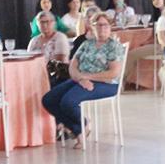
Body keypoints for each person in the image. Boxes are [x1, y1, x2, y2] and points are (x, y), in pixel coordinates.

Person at [42, 12, 124, 149]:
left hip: (106, 83)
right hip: (81, 79)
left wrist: (87, 77)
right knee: (48, 100)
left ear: (110, 27)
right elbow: (73, 65)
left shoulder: (113, 46)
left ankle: (78, 129)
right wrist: (80, 78)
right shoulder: (87, 44)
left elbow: (113, 73)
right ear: (92, 27)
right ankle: (81, 126)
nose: (101, 28)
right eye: (98, 25)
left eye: (105, 25)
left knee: (68, 102)